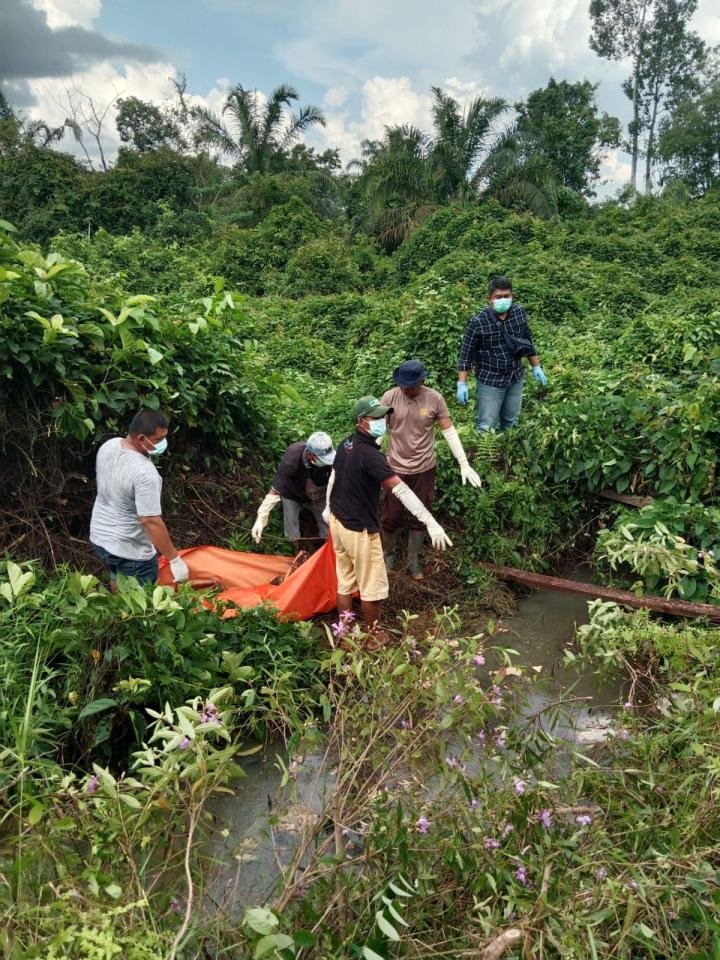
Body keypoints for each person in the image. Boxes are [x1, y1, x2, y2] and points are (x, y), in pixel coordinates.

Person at [324, 396, 452, 637]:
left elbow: (334, 476)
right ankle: (373, 637)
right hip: (358, 529)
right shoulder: (371, 456)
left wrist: (328, 508)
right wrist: (430, 521)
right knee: (371, 587)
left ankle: (344, 633)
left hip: (338, 522)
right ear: (361, 422)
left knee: (345, 581)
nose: (383, 420)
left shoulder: (346, 444)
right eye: (377, 417)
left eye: (384, 416)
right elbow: (401, 490)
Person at [381, 359, 482, 579]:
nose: (406, 389)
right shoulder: (390, 397)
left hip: (424, 468)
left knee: (422, 514)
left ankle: (413, 561)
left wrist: (464, 463)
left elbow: (449, 432)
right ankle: (387, 557)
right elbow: (379, 430)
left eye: (411, 385)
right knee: (391, 515)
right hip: (395, 468)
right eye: (402, 385)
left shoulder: (434, 399)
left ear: (422, 380)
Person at [90, 409, 189, 589]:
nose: (163, 443)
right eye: (158, 439)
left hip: (100, 538)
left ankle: (116, 609)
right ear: (142, 438)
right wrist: (175, 560)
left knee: (117, 578)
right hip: (130, 550)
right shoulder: (145, 473)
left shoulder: (109, 445)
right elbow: (150, 521)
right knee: (140, 604)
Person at [456, 276, 548, 431]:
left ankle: (507, 450)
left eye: (507, 296)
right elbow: (466, 355)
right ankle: (485, 454)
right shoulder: (478, 322)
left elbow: (528, 342)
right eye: (498, 297)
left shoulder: (519, 313)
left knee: (511, 421)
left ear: (512, 296)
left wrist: (536, 367)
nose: (503, 299)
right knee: (486, 425)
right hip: (490, 380)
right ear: (489, 299)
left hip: (515, 376)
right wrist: (462, 383)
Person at [251, 431, 336, 553]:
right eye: (323, 459)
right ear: (311, 455)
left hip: (319, 493)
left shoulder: (331, 458)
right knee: (291, 525)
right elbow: (275, 490)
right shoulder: (293, 457)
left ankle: (327, 554)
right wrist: (261, 516)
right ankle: (295, 555)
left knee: (327, 525)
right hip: (293, 493)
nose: (327, 462)